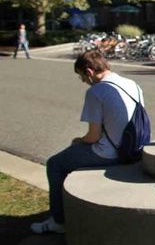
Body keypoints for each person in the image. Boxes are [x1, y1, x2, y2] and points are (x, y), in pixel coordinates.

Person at [31, 50, 145, 234]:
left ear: (89, 72)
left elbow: (93, 137)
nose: (83, 81)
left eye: (82, 77)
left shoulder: (97, 91)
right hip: (134, 149)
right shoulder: (132, 84)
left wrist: (77, 141)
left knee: (55, 164)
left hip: (111, 153)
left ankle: (58, 221)